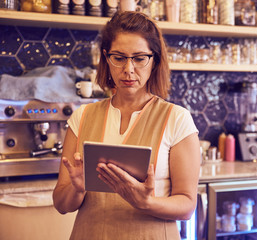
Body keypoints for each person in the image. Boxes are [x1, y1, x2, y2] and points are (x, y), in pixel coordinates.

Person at [53, 11, 201, 240]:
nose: (128, 69)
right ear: (106, 58)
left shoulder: (177, 119)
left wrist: (147, 202)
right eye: (119, 58)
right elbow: (62, 205)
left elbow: (187, 205)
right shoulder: (82, 117)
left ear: (155, 60)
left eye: (140, 58)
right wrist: (77, 187)